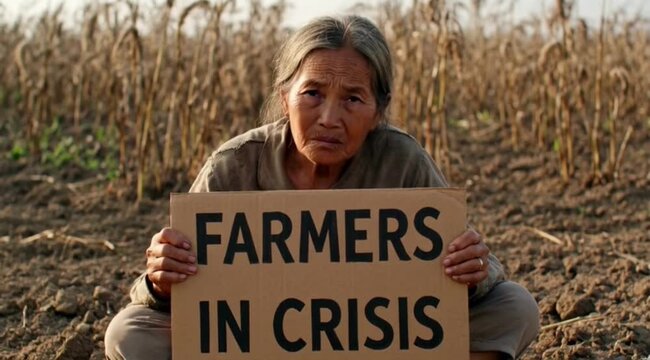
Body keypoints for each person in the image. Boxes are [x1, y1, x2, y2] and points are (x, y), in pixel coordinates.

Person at [105, 15, 539, 360]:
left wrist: (475, 268)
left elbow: (478, 273)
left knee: (515, 307)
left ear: (377, 111)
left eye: (353, 98)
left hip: (376, 350)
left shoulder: (402, 161)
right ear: (285, 95)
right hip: (260, 351)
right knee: (129, 333)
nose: (330, 118)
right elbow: (162, 294)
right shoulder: (235, 165)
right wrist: (161, 278)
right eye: (312, 93)